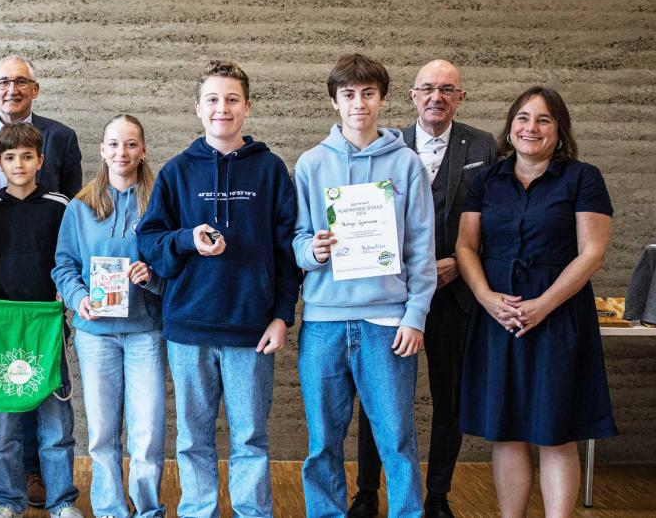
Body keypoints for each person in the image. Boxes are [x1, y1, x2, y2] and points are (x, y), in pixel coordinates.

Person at [137, 60, 299, 518]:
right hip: (188, 327)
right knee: (192, 439)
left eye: (231, 99)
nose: (221, 108)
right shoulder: (176, 172)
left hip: (252, 328)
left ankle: (252, 512)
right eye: (212, 99)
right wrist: (188, 239)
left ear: (247, 107)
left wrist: (282, 315)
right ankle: (198, 512)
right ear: (197, 108)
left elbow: (287, 252)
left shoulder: (269, 170)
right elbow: (148, 241)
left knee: (250, 437)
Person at [456, 86, 617, 518]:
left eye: (544, 120)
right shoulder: (486, 180)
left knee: (554, 431)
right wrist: (487, 299)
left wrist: (543, 304)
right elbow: (467, 248)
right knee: (506, 430)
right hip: (498, 317)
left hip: (559, 317)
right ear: (510, 129)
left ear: (559, 131)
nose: (532, 127)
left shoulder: (583, 178)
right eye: (524, 118)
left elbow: (592, 253)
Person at [349, 59, 497, 518]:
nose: (437, 97)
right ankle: (368, 492)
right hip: (394, 295)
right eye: (428, 88)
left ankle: (437, 495)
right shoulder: (386, 145)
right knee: (380, 398)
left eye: (447, 89)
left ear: (460, 98)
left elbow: (498, 217)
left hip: (455, 293)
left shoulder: (485, 147)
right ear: (412, 96)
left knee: (448, 397)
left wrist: (459, 262)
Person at [292, 53, 436, 518]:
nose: (359, 103)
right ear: (335, 102)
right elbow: (295, 240)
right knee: (322, 443)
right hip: (323, 325)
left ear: (383, 99)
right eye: (349, 94)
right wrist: (311, 251)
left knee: (396, 439)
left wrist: (415, 317)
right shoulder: (311, 165)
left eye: (368, 94)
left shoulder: (407, 165)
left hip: (386, 324)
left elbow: (421, 250)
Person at [0, 54, 82, 506]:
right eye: (10, 157)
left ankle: (59, 495)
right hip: (1, 322)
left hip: (47, 321)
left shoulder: (60, 206)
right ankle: (7, 494)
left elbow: (71, 255)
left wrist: (66, 291)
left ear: (40, 159)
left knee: (54, 417)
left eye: (27, 156)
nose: (18, 163)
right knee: (2, 414)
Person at [52, 114, 167, 518]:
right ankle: (110, 510)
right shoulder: (80, 207)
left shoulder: (160, 204)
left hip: (145, 332)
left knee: (147, 432)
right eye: (114, 144)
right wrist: (77, 296)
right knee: (101, 433)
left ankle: (149, 508)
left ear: (144, 149)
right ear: (101, 150)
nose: (123, 152)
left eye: (131, 144)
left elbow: (176, 263)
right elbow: (63, 264)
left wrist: (152, 276)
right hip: (95, 333)